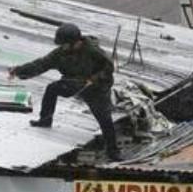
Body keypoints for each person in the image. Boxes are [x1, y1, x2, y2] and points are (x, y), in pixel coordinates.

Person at [9, 23, 121, 161]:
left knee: (104, 118)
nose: (63, 47)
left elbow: (109, 67)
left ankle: (113, 150)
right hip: (74, 83)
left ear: (76, 42)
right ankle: (45, 120)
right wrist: (19, 71)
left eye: (65, 44)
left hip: (96, 88)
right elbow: (41, 64)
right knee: (52, 89)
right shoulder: (60, 53)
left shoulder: (92, 51)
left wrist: (94, 79)